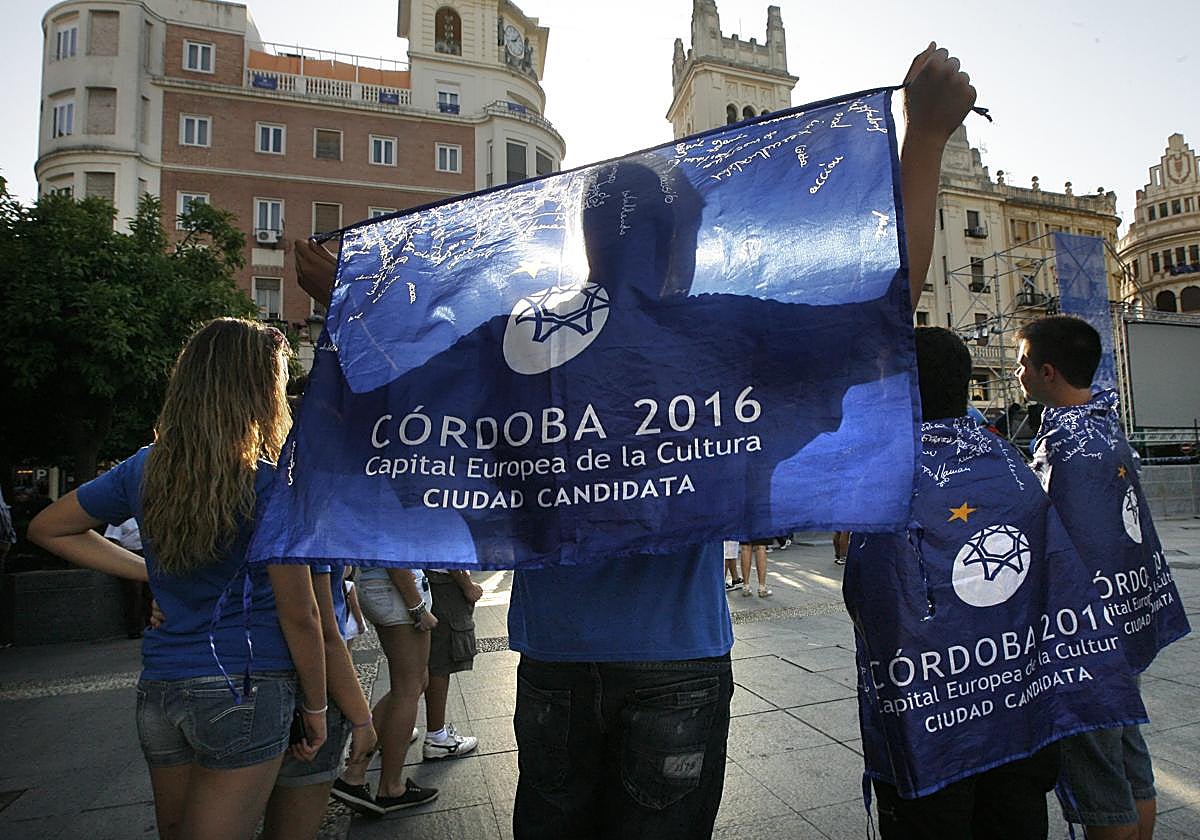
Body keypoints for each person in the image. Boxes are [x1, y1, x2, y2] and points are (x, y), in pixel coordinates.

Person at [290, 42, 978, 839]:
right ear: (677, 243)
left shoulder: (514, 338)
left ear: (588, 241)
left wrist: (335, 304)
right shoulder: (715, 330)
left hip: (554, 660)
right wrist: (923, 138)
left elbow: (388, 408)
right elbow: (890, 305)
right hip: (675, 660)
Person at [28, 318, 329, 840]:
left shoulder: (144, 469)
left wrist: (149, 572)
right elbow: (301, 614)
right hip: (246, 687)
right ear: (259, 390)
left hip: (161, 689)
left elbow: (50, 528)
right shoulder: (269, 485)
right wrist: (318, 706)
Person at [845, 327, 1145, 839]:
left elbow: (871, 597)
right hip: (1018, 720)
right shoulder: (1007, 461)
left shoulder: (888, 477)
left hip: (933, 733)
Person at [1016, 315, 1191, 840]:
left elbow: (1059, 543)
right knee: (1129, 756)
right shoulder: (1103, 425)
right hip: (1126, 618)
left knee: (1097, 778)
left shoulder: (1066, 446)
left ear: (1049, 371)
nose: (1019, 372)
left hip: (1088, 637)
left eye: (1024, 362)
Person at [263, 564, 378, 837]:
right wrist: (359, 719)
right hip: (296, 678)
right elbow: (318, 627)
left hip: (181, 676)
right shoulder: (303, 525)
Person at [331, 566, 440, 813]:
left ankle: (356, 771)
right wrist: (418, 607)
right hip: (398, 589)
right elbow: (395, 553)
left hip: (383, 586)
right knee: (408, 689)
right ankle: (390, 787)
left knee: (414, 682)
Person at [422, 568, 482, 760]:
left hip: (422, 580)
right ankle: (436, 737)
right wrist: (466, 585)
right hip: (440, 581)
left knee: (411, 671)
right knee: (439, 662)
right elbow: (446, 548)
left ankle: (390, 731)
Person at [105, 517, 151, 638]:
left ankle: (150, 625)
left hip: (145, 553)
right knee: (134, 594)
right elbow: (112, 539)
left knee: (149, 592)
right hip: (129, 553)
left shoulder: (143, 517)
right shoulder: (119, 519)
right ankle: (134, 629)